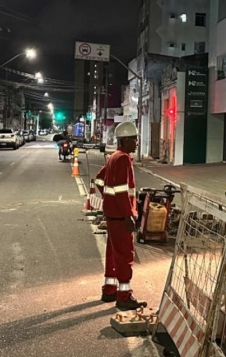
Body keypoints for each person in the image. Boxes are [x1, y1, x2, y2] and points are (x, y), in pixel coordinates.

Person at [94, 122, 147, 311]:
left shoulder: (112, 157)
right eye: (134, 139)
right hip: (120, 216)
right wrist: (128, 215)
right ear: (125, 141)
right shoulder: (122, 159)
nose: (137, 142)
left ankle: (109, 289)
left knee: (112, 253)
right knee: (125, 255)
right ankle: (124, 295)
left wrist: (108, 199)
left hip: (112, 215)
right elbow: (122, 191)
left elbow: (100, 180)